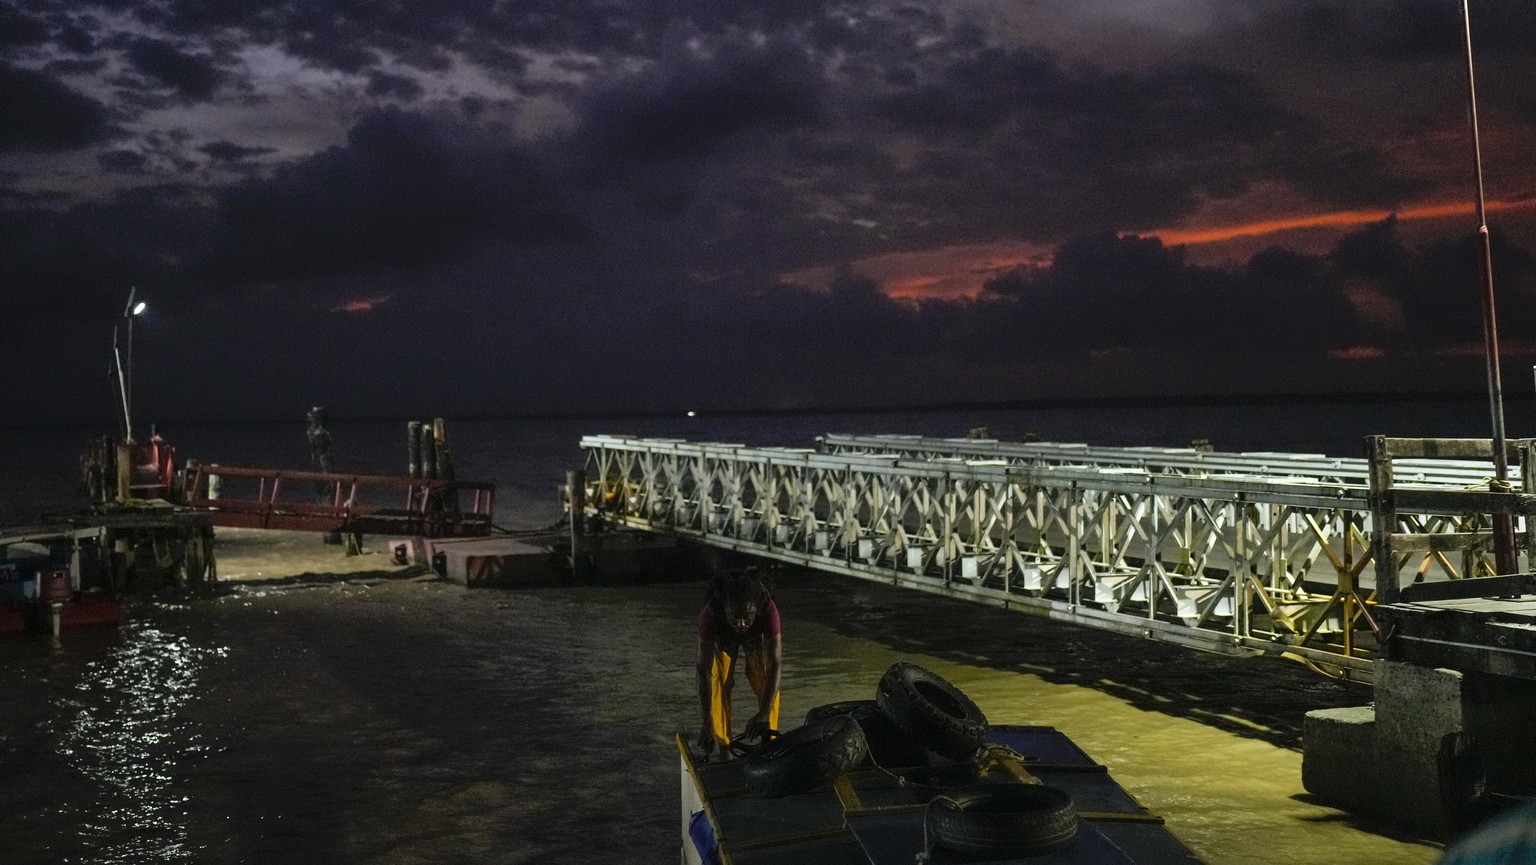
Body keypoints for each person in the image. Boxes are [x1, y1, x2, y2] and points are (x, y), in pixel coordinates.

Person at [695, 568, 782, 757]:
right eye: (736, 617)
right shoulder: (711, 613)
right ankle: (724, 745)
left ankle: (769, 739)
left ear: (756, 609)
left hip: (755, 635)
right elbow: (702, 670)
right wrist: (706, 722)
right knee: (719, 680)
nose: (741, 624)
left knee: (762, 675)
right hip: (723, 635)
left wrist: (764, 712)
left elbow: (775, 663)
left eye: (747, 617)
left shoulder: (768, 610)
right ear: (725, 609)